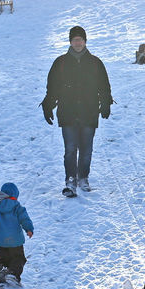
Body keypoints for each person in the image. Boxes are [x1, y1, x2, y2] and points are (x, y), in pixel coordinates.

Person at [41, 26, 113, 197]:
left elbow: (104, 86)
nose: (78, 43)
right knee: (70, 148)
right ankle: (71, 180)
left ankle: (83, 178)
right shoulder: (61, 63)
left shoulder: (95, 62)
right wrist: (48, 104)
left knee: (86, 149)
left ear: (85, 41)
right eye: (75, 40)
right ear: (70, 42)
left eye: (80, 39)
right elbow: (52, 87)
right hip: (68, 111)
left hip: (89, 111)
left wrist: (105, 103)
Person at [0, 182, 34, 287]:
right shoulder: (18, 207)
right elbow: (24, 219)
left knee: (3, 260)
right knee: (19, 258)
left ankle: (0, 279)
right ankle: (13, 274)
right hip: (15, 241)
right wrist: (29, 229)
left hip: (0, 241)